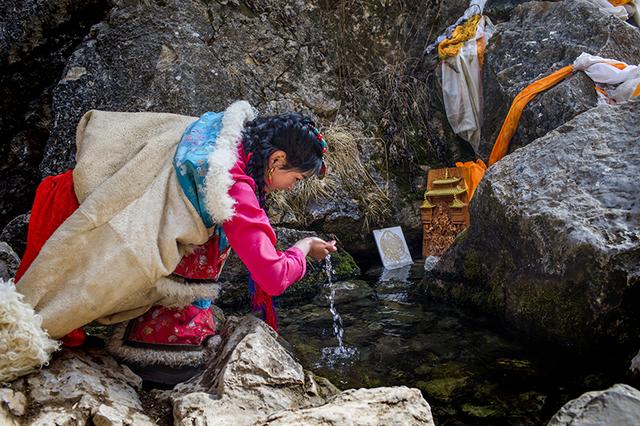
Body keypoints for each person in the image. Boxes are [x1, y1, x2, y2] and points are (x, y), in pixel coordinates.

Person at [0, 100, 337, 384]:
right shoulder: (233, 187)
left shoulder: (220, 136)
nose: (293, 186)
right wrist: (303, 247)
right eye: (297, 178)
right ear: (277, 160)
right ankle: (164, 346)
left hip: (82, 200)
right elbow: (273, 276)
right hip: (106, 234)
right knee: (34, 325)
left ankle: (151, 333)